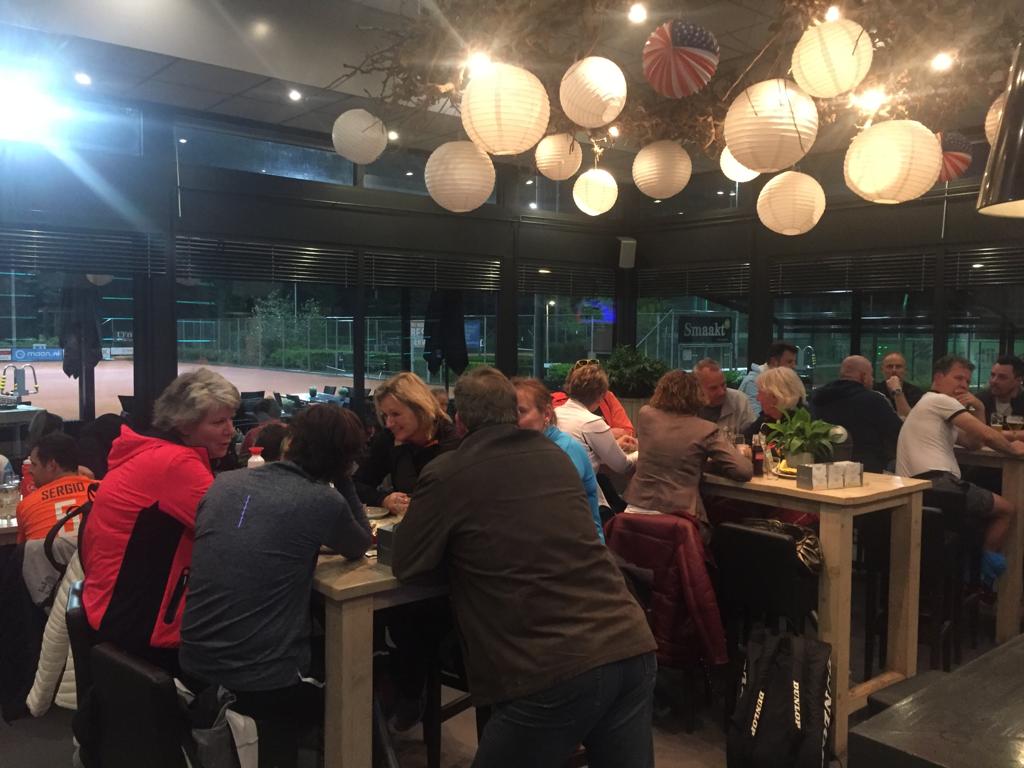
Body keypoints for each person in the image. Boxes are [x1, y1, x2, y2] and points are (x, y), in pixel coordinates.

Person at [393, 368, 657, 768]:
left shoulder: (448, 472)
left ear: (460, 421)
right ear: (511, 412)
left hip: (550, 665)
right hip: (629, 640)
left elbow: (408, 562)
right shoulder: (556, 457)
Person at [180, 405, 371, 768]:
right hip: (264, 681)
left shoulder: (225, 482)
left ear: (290, 441)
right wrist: (344, 480)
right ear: (345, 459)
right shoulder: (322, 499)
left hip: (193, 662)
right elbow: (360, 543)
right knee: (357, 660)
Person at [79, 368, 240, 671]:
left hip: (113, 614)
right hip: (143, 632)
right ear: (185, 424)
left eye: (231, 419)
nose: (230, 430)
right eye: (219, 422)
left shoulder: (151, 451)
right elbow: (238, 530)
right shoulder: (176, 463)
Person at [896, 355, 1024, 588]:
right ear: (938, 378)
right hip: (938, 485)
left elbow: (973, 443)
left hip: (921, 490)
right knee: (1007, 509)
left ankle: (969, 573)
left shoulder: (930, 405)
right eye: (958, 378)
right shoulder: (940, 400)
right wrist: (1013, 450)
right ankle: (984, 578)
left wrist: (980, 408)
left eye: (967, 381)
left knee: (984, 508)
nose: (963, 385)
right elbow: (987, 436)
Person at [625, 371, 752, 535]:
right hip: (679, 520)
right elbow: (743, 471)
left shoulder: (646, 414)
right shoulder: (706, 429)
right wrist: (712, 464)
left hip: (634, 513)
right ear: (698, 396)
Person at [354, 372, 460, 515]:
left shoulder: (450, 441)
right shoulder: (389, 437)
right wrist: (383, 500)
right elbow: (357, 484)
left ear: (420, 409)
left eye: (395, 414)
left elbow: (422, 495)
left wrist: (401, 449)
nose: (389, 423)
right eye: (385, 415)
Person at [512, 377, 603, 541]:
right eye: (509, 413)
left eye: (521, 411)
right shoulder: (526, 447)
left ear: (546, 414)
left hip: (579, 547)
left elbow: (549, 513)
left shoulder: (563, 451)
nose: (513, 420)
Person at [554, 363, 637, 514]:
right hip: (583, 499)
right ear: (601, 395)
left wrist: (614, 444)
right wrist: (643, 451)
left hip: (557, 491)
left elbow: (583, 452)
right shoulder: (592, 422)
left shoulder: (555, 414)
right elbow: (622, 466)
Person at [809, 355, 903, 473]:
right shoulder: (873, 400)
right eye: (871, 375)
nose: (872, 379)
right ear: (863, 377)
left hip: (823, 470)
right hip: (866, 471)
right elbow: (898, 432)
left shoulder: (818, 398)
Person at [15, 434, 95, 544]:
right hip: (94, 554)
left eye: (34, 464)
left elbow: (24, 550)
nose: (30, 470)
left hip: (46, 555)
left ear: (51, 465)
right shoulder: (103, 491)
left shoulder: (26, 505)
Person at [551, 359, 635, 438]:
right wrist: (605, 433)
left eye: (594, 382)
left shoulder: (606, 396)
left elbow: (627, 431)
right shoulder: (556, 401)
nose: (589, 385)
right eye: (582, 381)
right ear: (572, 384)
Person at [744, 365, 808, 442]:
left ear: (775, 396)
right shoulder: (767, 418)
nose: (757, 398)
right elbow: (745, 439)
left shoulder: (803, 426)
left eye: (760, 393)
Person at [693, 357, 755, 436]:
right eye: (713, 388)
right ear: (698, 388)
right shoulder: (687, 406)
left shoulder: (739, 401)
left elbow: (753, 436)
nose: (722, 392)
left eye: (723, 385)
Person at [738, 341, 798, 417]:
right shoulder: (753, 382)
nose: (794, 366)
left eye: (794, 362)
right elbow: (755, 417)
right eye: (789, 362)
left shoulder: (783, 381)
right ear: (774, 362)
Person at [873, 351, 924, 418]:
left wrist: (897, 391)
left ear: (905, 370)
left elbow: (909, 419)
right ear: (882, 370)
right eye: (889, 366)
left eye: (898, 367)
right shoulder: (874, 391)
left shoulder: (915, 392)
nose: (894, 370)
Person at [977, 355, 1024, 427]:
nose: (994, 381)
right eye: (993, 375)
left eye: (1002, 377)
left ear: (1018, 380)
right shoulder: (980, 400)